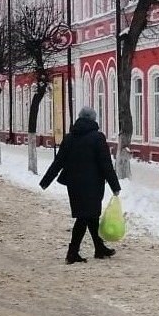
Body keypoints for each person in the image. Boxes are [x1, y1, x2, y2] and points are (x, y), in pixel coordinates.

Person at [39, 106, 121, 264]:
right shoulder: (98, 138)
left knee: (90, 216)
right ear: (93, 119)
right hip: (93, 185)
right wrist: (115, 186)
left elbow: (59, 161)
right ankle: (72, 253)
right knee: (85, 217)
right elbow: (106, 164)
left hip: (74, 185)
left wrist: (45, 181)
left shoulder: (70, 137)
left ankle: (99, 248)